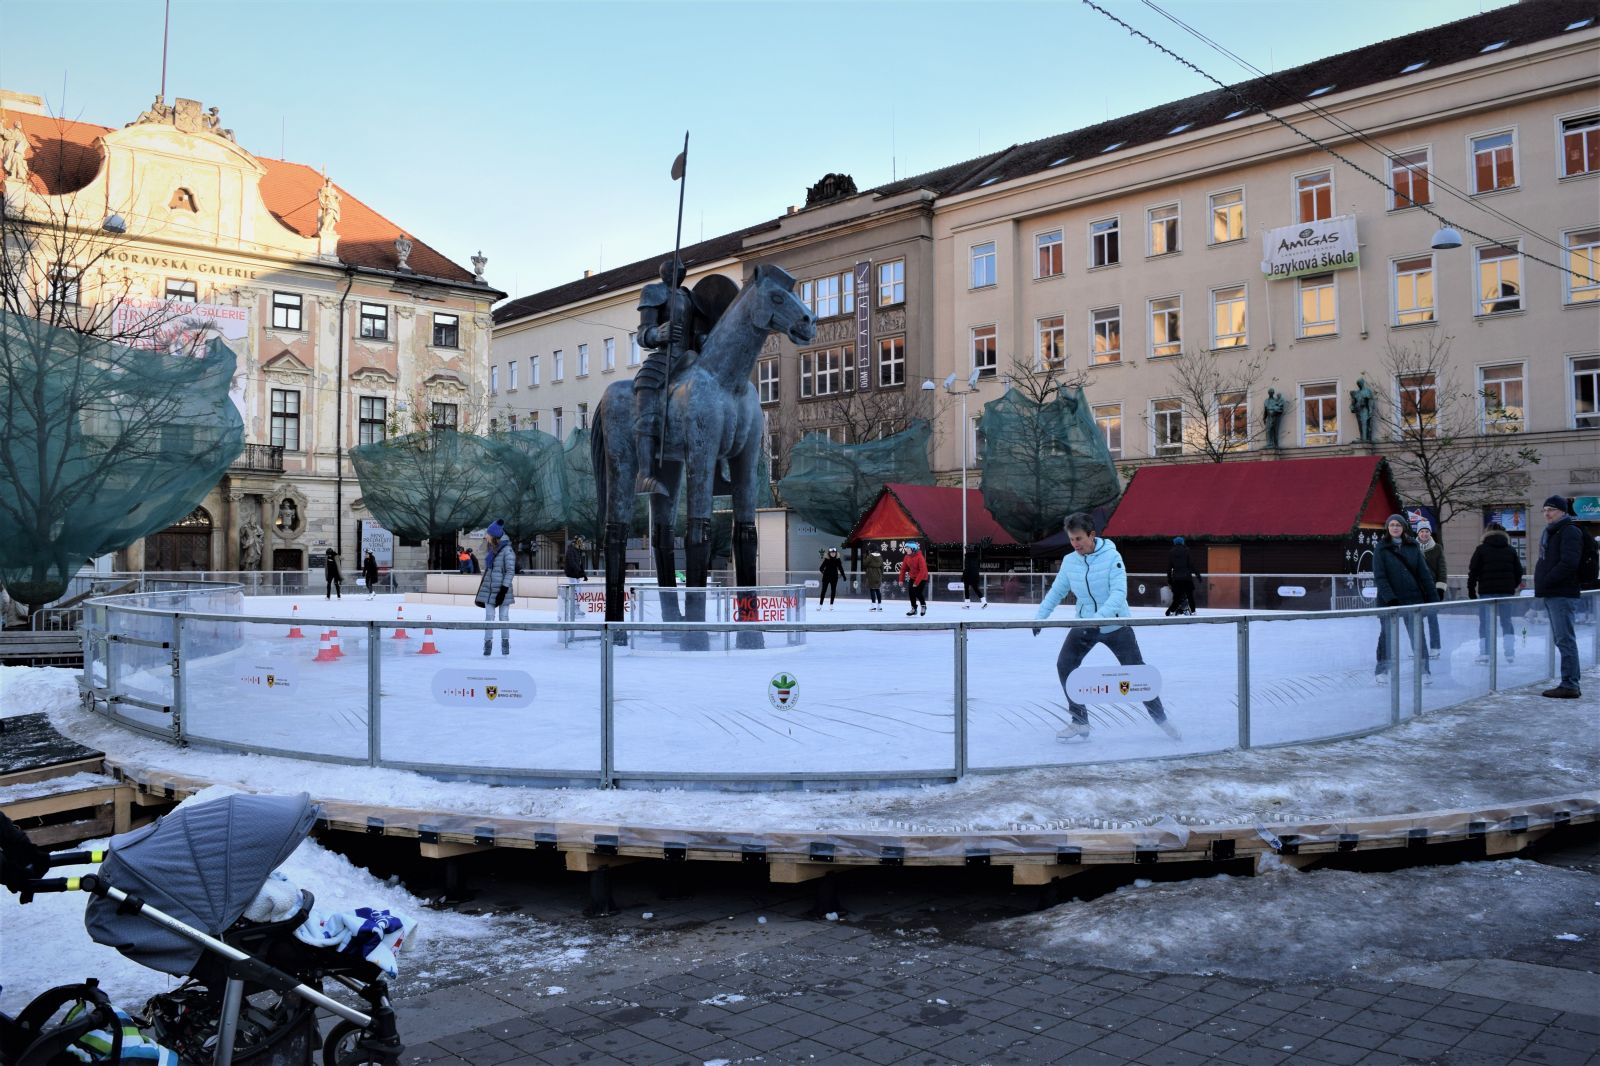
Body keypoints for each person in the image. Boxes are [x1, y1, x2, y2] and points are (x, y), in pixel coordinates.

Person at [1033, 512, 1180, 742]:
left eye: (1079, 539)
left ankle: (1162, 720)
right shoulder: (1071, 561)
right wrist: (1040, 616)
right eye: (1071, 539)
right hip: (1084, 625)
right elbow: (1058, 591)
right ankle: (1079, 721)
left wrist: (1099, 618)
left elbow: (1119, 594)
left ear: (1092, 535)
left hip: (1116, 625)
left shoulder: (1112, 557)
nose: (1075, 544)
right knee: (1065, 664)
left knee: (1137, 673)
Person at [1372, 514, 1434, 682]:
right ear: (1387, 528)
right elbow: (1380, 576)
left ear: (1404, 527)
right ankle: (1383, 670)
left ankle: (1424, 670)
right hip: (1389, 601)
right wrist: (1390, 598)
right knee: (1387, 635)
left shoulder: (1413, 546)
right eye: (1392, 525)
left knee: (1417, 635)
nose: (1395, 527)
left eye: (1398, 525)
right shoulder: (1381, 548)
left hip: (1412, 598)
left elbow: (1424, 573)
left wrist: (1432, 596)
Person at [1534, 496, 1584, 699]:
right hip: (1554, 592)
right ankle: (1570, 682)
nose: (1547, 513)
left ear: (1563, 511)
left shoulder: (1569, 531)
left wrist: (1546, 580)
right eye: (1545, 509)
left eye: (1552, 509)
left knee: (1565, 639)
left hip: (1562, 592)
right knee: (1562, 639)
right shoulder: (1551, 532)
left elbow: (1569, 563)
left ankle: (1570, 683)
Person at [1467, 521, 1523, 664]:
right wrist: (1512, 586)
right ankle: (1510, 653)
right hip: (1506, 592)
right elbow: (1519, 571)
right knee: (1506, 622)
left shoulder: (1481, 549)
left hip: (1487, 591)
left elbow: (1473, 571)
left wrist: (1471, 591)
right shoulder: (1510, 550)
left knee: (1485, 623)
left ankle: (1485, 653)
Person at [476, 519, 516, 656]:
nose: (485, 536)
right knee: (489, 617)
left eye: (487, 534)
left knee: (504, 617)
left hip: (502, 591)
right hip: (489, 589)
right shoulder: (492, 549)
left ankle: (505, 647)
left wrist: (503, 591)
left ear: (494, 535)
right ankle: (487, 648)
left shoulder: (507, 550)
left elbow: (510, 571)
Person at [1415, 522, 1447, 658]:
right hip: (1416, 589)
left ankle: (1435, 647)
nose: (1424, 534)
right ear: (1418, 533)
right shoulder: (1412, 547)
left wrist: (1440, 588)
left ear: (1430, 533)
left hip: (1432, 588)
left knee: (1433, 619)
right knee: (1416, 620)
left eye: (1427, 531)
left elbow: (1442, 569)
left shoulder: (1437, 548)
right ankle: (1417, 647)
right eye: (1421, 531)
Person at [1165, 536, 1196, 616]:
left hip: (1176, 579)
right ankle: (1186, 610)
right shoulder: (1186, 551)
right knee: (1186, 596)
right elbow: (1191, 565)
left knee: (1177, 597)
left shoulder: (1172, 552)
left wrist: (1170, 580)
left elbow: (1169, 567)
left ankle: (1172, 611)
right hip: (1186, 578)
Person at [898, 541, 929, 617]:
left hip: (922, 577)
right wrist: (901, 580)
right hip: (912, 577)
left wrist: (916, 582)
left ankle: (923, 606)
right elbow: (903, 569)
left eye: (908, 548)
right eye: (906, 548)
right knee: (911, 593)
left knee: (917, 592)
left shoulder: (920, 557)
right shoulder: (907, 557)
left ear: (913, 549)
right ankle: (914, 609)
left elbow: (922, 571)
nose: (906, 550)